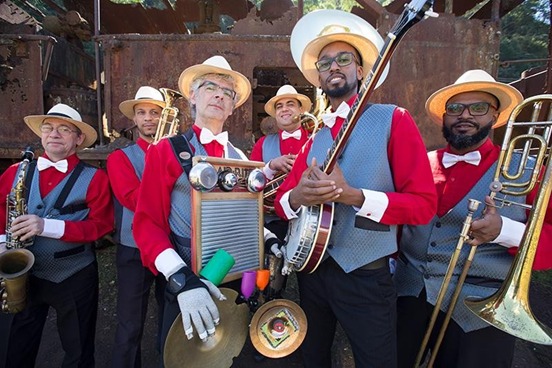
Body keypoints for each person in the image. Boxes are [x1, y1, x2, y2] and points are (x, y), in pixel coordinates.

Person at [274, 11, 438, 368]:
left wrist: (356, 197)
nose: (334, 66)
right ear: (318, 76)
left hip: (366, 275)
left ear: (361, 70)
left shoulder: (394, 119)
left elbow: (424, 206)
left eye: (344, 58)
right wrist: (298, 196)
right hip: (311, 273)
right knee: (312, 359)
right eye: (326, 62)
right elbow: (280, 204)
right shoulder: (314, 138)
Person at [394, 69, 552, 368]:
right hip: (410, 294)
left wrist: (504, 231)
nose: (464, 115)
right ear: (444, 116)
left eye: (478, 108)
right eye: (454, 108)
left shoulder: (529, 171)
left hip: (479, 307)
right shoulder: (421, 163)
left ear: (495, 115)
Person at [132, 56, 279, 358]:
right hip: (187, 281)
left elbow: (244, 216)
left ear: (233, 106)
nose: (219, 95)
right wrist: (182, 280)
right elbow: (147, 224)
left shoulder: (239, 157)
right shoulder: (168, 150)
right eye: (210, 87)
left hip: (234, 278)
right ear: (193, 97)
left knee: (228, 352)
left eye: (227, 92)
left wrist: (268, 239)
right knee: (181, 356)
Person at [0, 103, 114, 367]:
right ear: (41, 135)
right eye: (48, 128)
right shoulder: (14, 172)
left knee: (78, 351)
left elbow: (102, 226)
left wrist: (46, 226)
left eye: (64, 129)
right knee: (15, 347)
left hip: (73, 275)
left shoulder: (95, 178)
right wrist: (3, 244)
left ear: (78, 139)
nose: (54, 134)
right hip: (23, 275)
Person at [107, 86, 167, 367]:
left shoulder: (176, 153)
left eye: (154, 113)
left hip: (171, 246)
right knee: (130, 325)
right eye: (142, 113)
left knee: (173, 322)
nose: (148, 119)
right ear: (134, 119)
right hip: (134, 250)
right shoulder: (119, 158)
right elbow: (132, 199)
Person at [250, 84, 312, 240]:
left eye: (290, 104)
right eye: (279, 106)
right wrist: (271, 166)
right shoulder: (262, 144)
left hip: (310, 221)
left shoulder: (316, 139)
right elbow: (248, 183)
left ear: (301, 111)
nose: (284, 109)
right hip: (273, 224)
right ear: (276, 114)